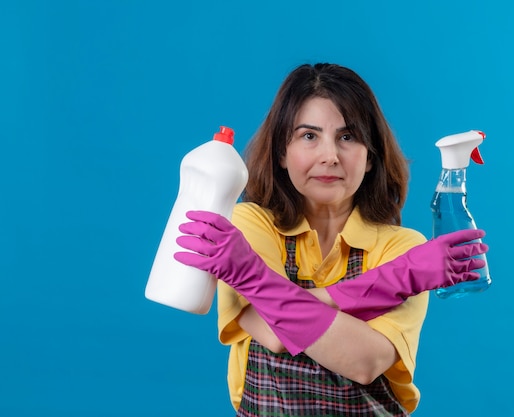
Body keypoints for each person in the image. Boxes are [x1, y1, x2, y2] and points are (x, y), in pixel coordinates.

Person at [174, 63, 488, 416]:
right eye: (309, 136)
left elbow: (364, 362)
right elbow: (275, 337)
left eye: (348, 136)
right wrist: (390, 283)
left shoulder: (403, 248)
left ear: (370, 156)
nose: (330, 156)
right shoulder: (248, 223)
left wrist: (255, 279)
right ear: (282, 152)